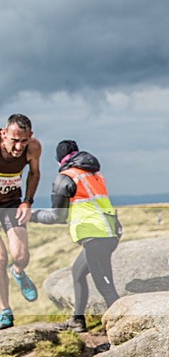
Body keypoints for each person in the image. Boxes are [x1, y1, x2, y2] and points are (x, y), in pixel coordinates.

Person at [30, 140, 121, 332]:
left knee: (106, 288)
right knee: (77, 273)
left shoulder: (66, 177)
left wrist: (32, 215)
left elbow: (57, 215)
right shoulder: (93, 173)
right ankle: (77, 320)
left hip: (95, 237)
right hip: (107, 232)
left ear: (58, 160)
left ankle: (119, 334)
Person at [0, 114, 41, 329]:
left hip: (11, 204)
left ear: (30, 137)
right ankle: (4, 310)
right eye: (14, 140)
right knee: (0, 258)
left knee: (21, 256)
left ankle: (17, 272)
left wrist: (27, 202)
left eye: (23, 141)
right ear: (3, 133)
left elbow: (34, 174)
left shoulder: (33, 148)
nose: (18, 147)